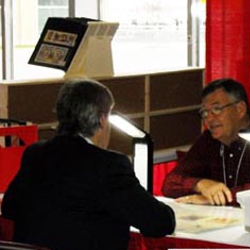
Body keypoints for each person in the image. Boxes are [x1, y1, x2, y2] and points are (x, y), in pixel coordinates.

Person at [1, 78, 176, 250]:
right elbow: (159, 223)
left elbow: (9, 208)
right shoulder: (109, 165)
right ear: (101, 120)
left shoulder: (35, 153)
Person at [161, 78, 250, 206]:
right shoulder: (209, 140)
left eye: (216, 109)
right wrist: (200, 184)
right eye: (205, 112)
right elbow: (170, 184)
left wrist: (217, 198)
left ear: (240, 109)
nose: (209, 119)